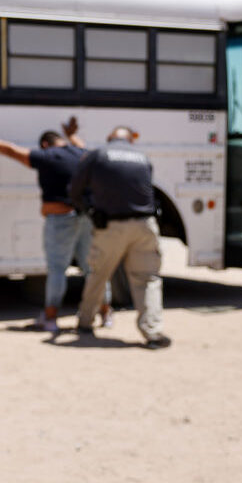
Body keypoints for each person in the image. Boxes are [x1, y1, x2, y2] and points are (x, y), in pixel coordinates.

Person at [0, 117, 111, 332]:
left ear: (45, 145)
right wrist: (72, 135)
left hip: (60, 219)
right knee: (92, 268)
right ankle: (105, 312)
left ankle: (50, 318)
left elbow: (13, 151)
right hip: (86, 218)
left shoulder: (47, 156)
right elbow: (82, 147)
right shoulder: (80, 154)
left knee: (57, 269)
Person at [69, 126, 170, 348]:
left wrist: (89, 210)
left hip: (111, 226)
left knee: (99, 274)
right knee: (148, 278)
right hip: (145, 225)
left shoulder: (98, 155)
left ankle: (85, 322)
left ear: (109, 138)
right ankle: (153, 333)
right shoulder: (142, 158)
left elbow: (75, 189)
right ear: (130, 140)